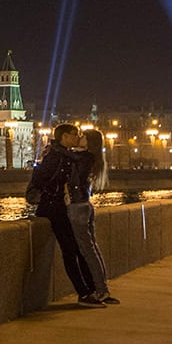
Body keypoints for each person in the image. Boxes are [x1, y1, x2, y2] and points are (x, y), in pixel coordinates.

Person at [31, 123, 101, 306]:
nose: (77, 137)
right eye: (74, 134)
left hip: (60, 206)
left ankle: (91, 290)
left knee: (75, 249)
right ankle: (85, 293)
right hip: (53, 207)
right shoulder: (55, 156)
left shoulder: (63, 154)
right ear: (65, 137)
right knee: (70, 250)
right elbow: (40, 178)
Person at [66, 129, 118, 304]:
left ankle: (101, 290)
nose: (79, 138)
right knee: (93, 249)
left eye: (83, 136)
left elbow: (73, 175)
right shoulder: (92, 158)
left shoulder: (84, 158)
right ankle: (103, 289)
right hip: (86, 206)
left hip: (78, 207)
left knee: (88, 251)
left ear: (89, 141)